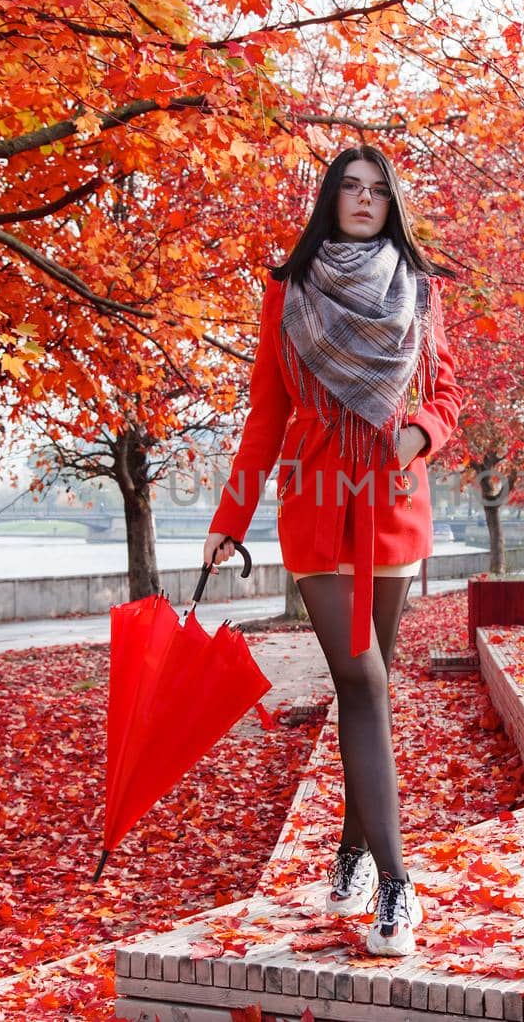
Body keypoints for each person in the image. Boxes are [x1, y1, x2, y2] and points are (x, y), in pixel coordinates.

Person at [202, 146, 465, 957]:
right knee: (360, 678)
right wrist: (229, 516)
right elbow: (265, 414)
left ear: (392, 204)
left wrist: (421, 433)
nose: (363, 199)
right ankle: (397, 885)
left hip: (389, 500)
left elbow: (448, 391)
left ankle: (351, 850)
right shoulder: (287, 291)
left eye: (377, 191)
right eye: (350, 187)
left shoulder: (420, 290)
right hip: (315, 505)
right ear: (331, 197)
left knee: (367, 692)